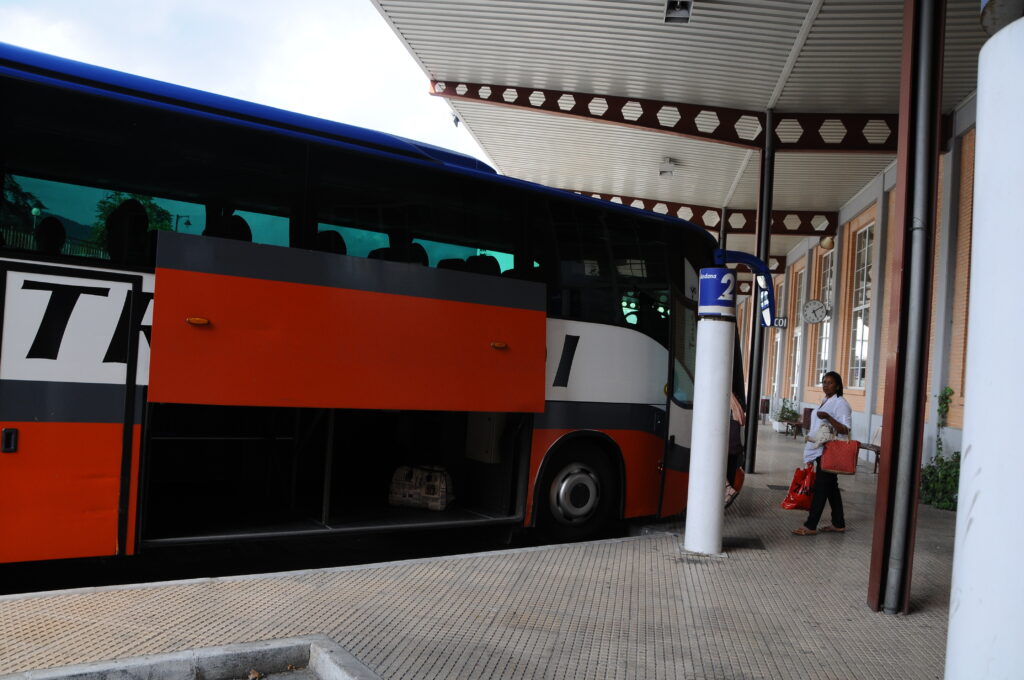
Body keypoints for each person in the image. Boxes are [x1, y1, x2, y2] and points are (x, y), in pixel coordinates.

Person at [792, 370, 852, 536]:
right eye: (824, 382)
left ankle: (811, 525)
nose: (826, 385)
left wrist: (828, 416)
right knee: (831, 488)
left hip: (829, 451)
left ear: (838, 385)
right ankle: (838, 523)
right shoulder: (826, 400)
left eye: (830, 382)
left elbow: (846, 429)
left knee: (821, 489)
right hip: (820, 450)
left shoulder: (841, 403)